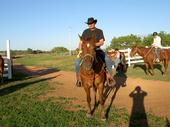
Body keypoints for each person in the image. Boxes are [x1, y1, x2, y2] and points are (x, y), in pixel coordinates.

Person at [75, 17, 113, 87]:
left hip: (97, 50)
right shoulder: (85, 31)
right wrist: (80, 50)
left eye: (91, 23)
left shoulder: (99, 31)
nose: (90, 25)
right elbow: (81, 42)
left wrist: (93, 45)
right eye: (89, 24)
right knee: (77, 62)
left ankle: (110, 77)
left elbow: (102, 42)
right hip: (86, 51)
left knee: (107, 59)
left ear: (94, 23)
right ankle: (78, 79)